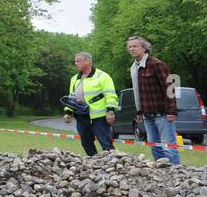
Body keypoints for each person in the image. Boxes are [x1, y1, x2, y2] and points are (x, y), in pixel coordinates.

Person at [127, 35, 180, 164]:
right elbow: (138, 92)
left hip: (162, 114)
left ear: (144, 48)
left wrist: (172, 111)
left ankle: (177, 174)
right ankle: (162, 173)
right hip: (147, 115)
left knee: (169, 147)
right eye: (129, 47)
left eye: (135, 46)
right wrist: (139, 112)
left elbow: (170, 87)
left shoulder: (156, 64)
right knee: (154, 147)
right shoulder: (134, 68)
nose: (132, 49)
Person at [61, 51, 118, 156]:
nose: (75, 63)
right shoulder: (74, 78)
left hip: (98, 117)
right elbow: (71, 97)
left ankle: (114, 167)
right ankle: (94, 165)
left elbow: (110, 95)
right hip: (81, 116)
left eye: (78, 61)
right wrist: (68, 112)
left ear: (88, 61)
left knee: (106, 144)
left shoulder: (102, 76)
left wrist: (110, 111)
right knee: (86, 144)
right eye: (75, 61)